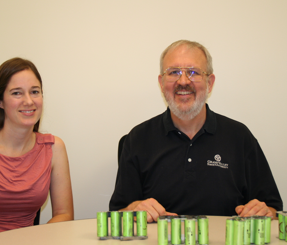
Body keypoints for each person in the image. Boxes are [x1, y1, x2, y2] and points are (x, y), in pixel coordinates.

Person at [109, 40, 283, 223]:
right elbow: (117, 214)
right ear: (161, 83)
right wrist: (132, 209)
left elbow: (273, 209)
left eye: (193, 72)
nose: (183, 81)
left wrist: (265, 211)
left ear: (210, 82)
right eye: (174, 72)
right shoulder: (137, 139)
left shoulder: (240, 137)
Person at [0, 58, 74, 244]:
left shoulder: (54, 148)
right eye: (17, 93)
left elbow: (64, 214)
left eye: (35, 92)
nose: (28, 101)